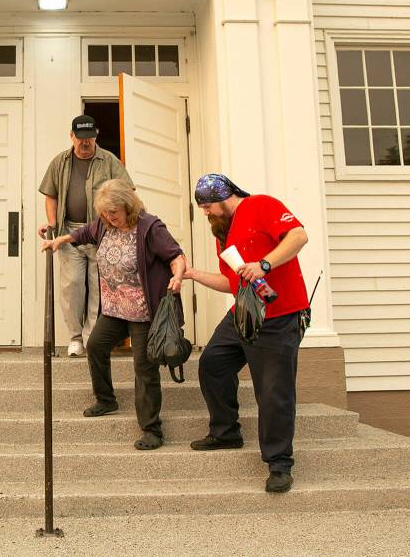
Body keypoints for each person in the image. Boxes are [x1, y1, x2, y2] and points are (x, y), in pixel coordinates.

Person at [183, 173, 310, 493]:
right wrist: (193, 274)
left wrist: (265, 264)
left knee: (273, 391)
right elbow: (232, 283)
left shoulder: (261, 206)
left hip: (280, 316)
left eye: (208, 206)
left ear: (224, 196)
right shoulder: (222, 233)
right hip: (244, 311)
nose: (206, 213)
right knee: (213, 362)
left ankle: (279, 463)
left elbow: (298, 236)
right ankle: (226, 433)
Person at [42, 180, 185, 450]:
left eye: (114, 213)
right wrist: (61, 239)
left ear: (128, 206)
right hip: (115, 309)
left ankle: (152, 429)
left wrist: (178, 275)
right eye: (105, 213)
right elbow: (84, 232)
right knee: (95, 346)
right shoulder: (105, 224)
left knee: (144, 367)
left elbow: (176, 256)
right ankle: (106, 400)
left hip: (143, 312)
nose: (109, 218)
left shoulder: (150, 227)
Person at [38, 115, 134, 357]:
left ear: (96, 135)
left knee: (99, 287)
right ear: (71, 136)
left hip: (101, 234)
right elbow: (51, 194)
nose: (85, 142)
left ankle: (93, 338)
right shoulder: (60, 162)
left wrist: (123, 221)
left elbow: (128, 191)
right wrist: (52, 222)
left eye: (89, 138)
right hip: (69, 232)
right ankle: (75, 338)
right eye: (80, 138)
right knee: (72, 286)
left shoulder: (109, 161)